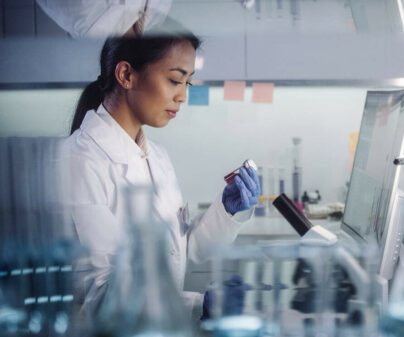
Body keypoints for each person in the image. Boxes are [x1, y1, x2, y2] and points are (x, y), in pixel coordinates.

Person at [60, 32, 260, 321]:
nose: (183, 96)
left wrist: (226, 211)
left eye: (187, 82)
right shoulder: (79, 161)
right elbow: (101, 294)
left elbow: (181, 253)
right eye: (175, 80)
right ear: (126, 74)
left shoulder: (157, 158)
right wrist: (198, 307)